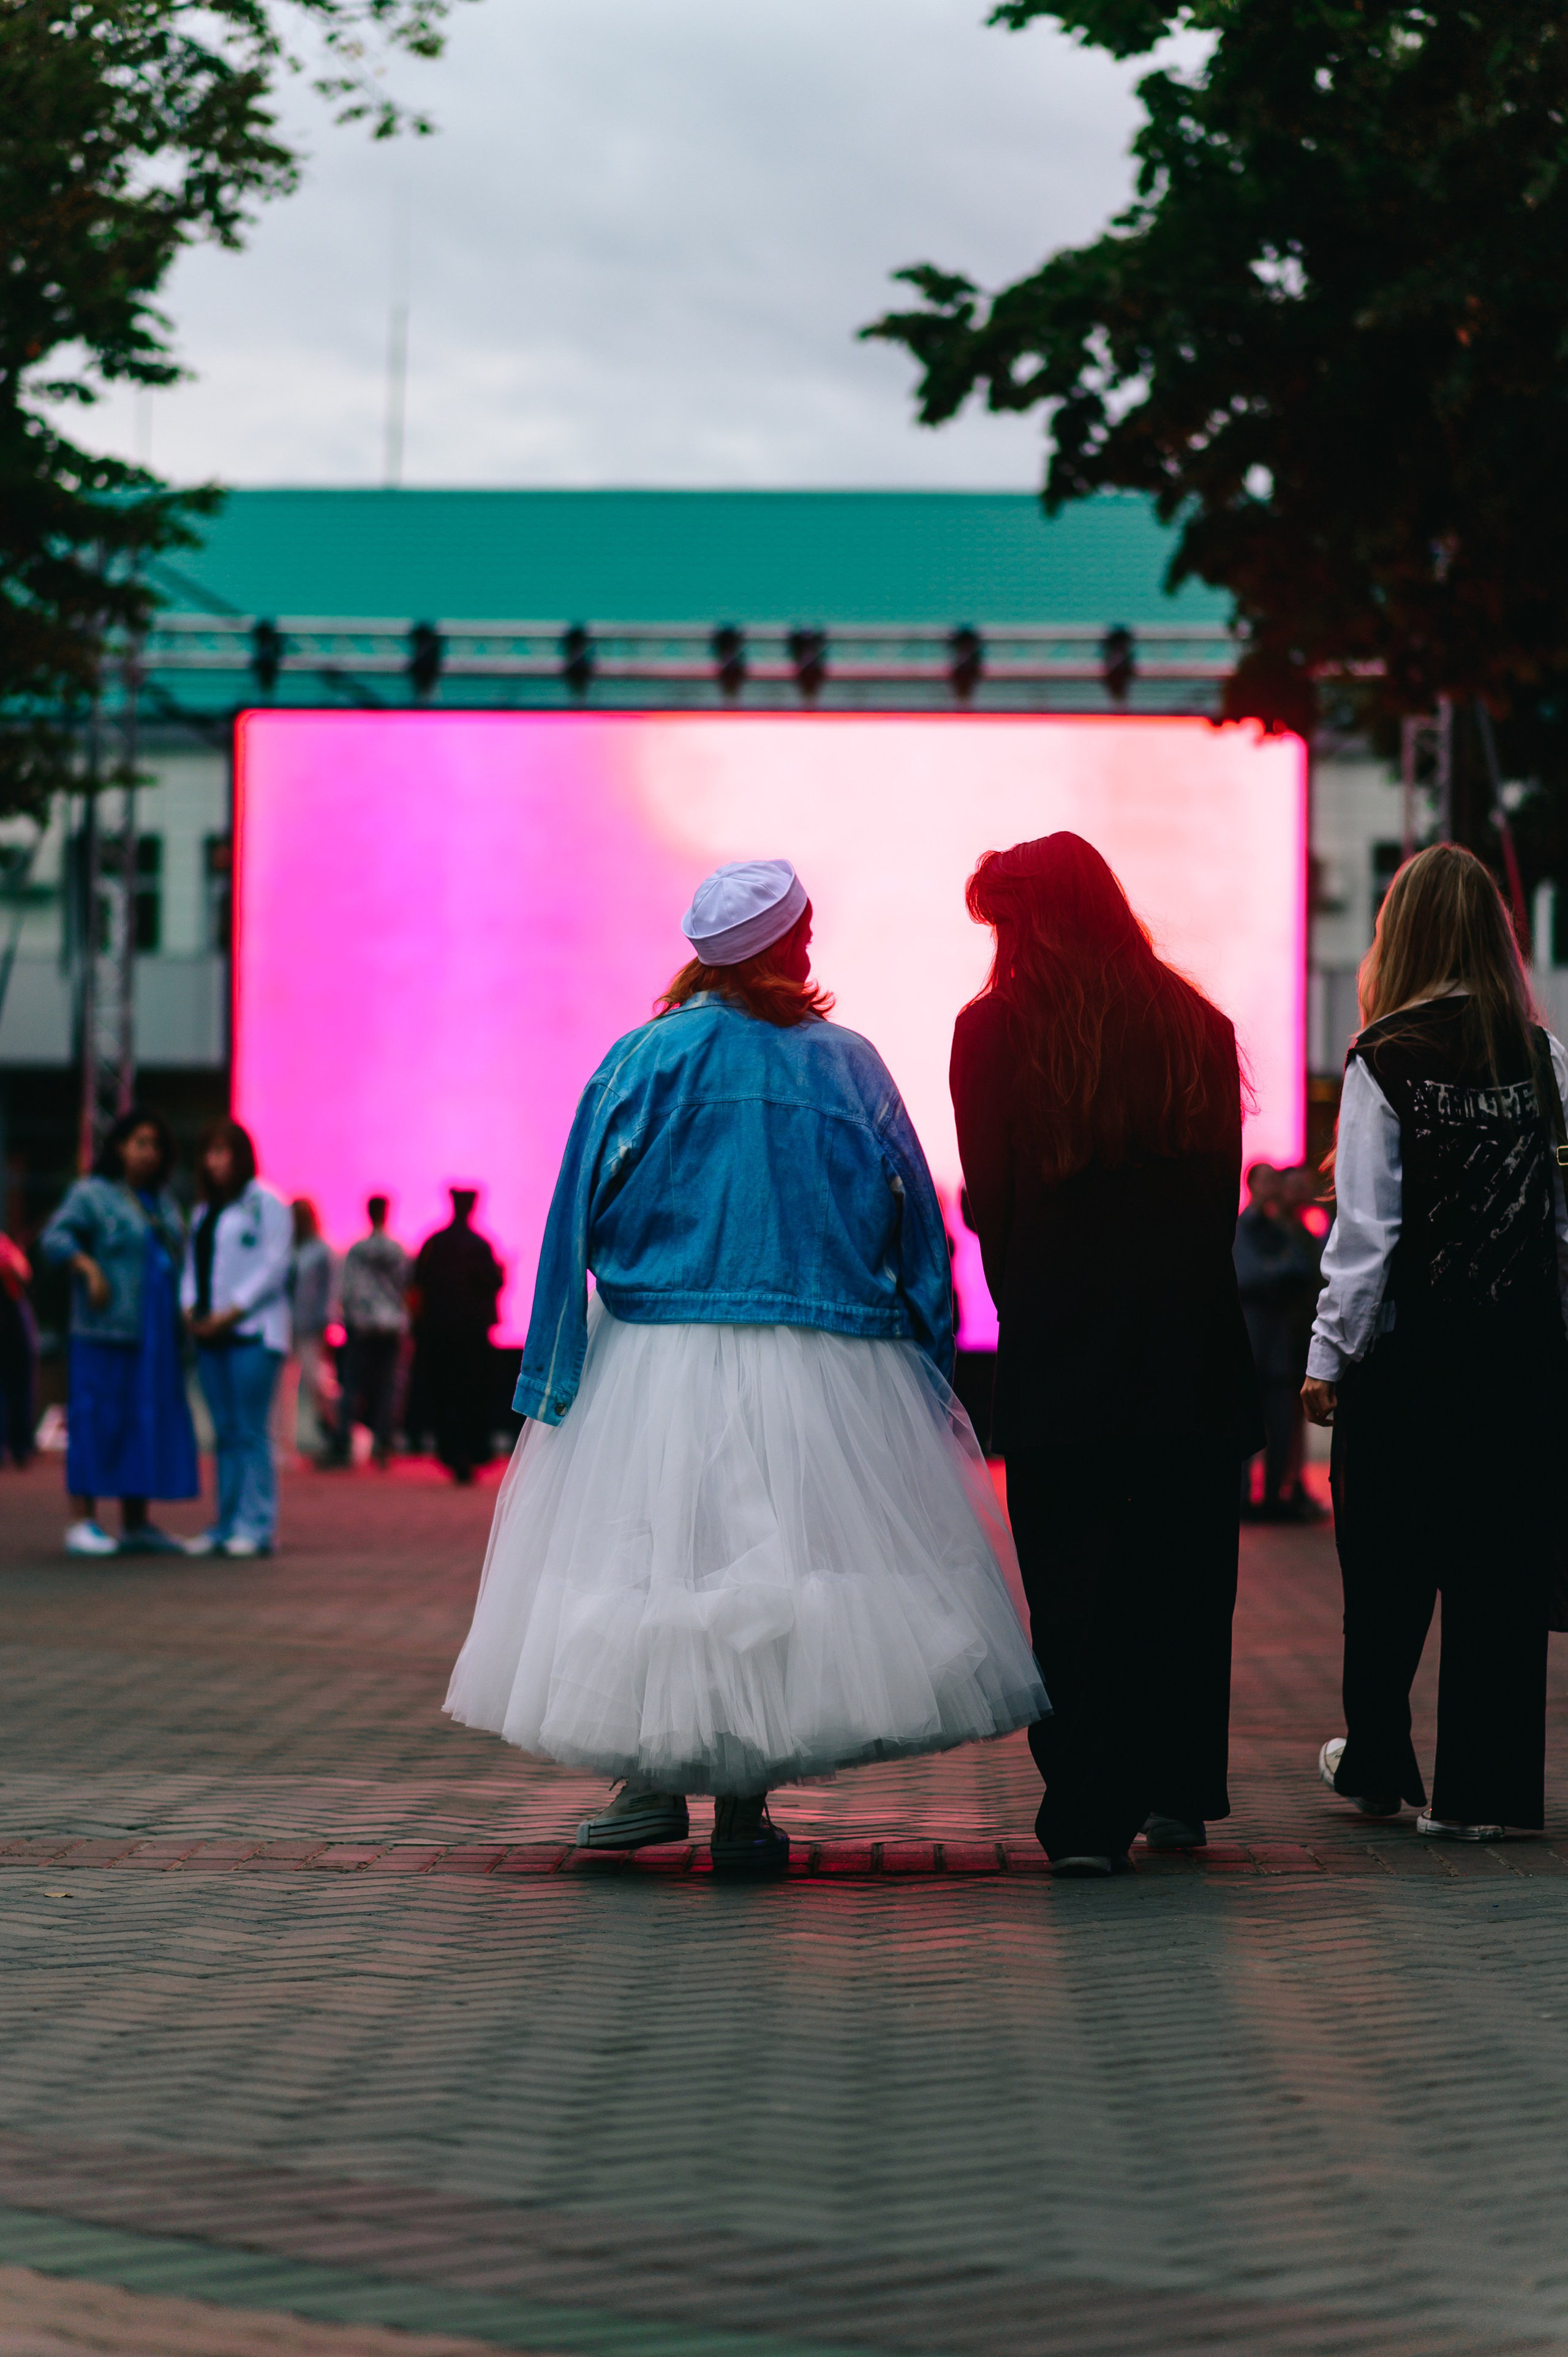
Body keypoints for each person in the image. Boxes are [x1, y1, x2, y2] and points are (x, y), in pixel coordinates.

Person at [445, 858, 1046, 1875]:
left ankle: (653, 1783)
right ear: (782, 945)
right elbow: (917, 1218)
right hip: (820, 1349)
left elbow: (571, 1207)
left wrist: (552, 1369)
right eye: (802, 932)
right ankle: (739, 1807)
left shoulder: (642, 1058)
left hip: (657, 1346)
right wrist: (928, 1354)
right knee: (776, 1567)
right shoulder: (848, 1064)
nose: (810, 946)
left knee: (652, 1555)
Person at [950, 833, 1262, 1877]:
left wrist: (1030, 1304)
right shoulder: (1197, 1024)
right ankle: (1177, 1787)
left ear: (1031, 920)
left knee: (1074, 1581)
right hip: (1191, 1350)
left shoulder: (992, 1030)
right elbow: (1215, 1207)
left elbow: (993, 1200)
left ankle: (1087, 1810)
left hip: (1063, 1348)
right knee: (1185, 1575)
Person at [1304, 842, 1568, 1842]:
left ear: (1401, 935)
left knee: (1384, 1567)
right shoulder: (1544, 1059)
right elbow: (1561, 1228)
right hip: (1520, 1359)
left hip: (1411, 1364)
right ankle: (1485, 1795)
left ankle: (1378, 1760)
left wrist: (1328, 1356)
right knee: (1501, 1569)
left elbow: (1368, 1233)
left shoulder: (1385, 1056)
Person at [39, 1109, 198, 1555]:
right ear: (119, 1147)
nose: (149, 1153)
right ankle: (82, 1522)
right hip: (105, 1330)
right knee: (96, 1417)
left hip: (155, 1332)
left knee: (143, 1418)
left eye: (157, 1146)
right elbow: (55, 1238)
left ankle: (136, 1523)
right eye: (140, 1143)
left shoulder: (162, 1201)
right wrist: (88, 1267)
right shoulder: (92, 1194)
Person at [182, 1120, 292, 1558]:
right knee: (224, 1433)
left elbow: (274, 1268)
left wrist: (230, 1313)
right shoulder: (204, 1211)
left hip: (252, 1333)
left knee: (250, 1431)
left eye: (222, 1152)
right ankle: (225, 1525)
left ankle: (257, 1525)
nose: (214, 1161)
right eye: (208, 1153)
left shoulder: (267, 1204)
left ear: (242, 1156)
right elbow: (192, 1269)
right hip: (211, 1335)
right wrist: (189, 1309)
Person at [1234, 1162, 1321, 1519]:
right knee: (1247, 1423)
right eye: (1267, 1180)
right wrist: (1277, 1272)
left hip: (1276, 1344)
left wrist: (1270, 1272)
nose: (1274, 1186)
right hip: (1255, 1341)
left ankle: (1273, 1497)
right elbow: (1247, 1275)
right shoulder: (1242, 1228)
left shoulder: (1282, 1231)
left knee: (1282, 1422)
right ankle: (1245, 1499)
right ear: (1252, 1184)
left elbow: (1302, 1269)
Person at [409, 1190, 502, 1484]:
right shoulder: (480, 1245)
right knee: (471, 1393)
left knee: (445, 1393)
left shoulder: (435, 1243)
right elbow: (493, 1283)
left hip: (440, 1334)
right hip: (473, 1337)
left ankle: (451, 1451)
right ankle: (470, 1453)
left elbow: (418, 1285)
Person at [326, 1196, 408, 1469]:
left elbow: (346, 1289)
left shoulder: (357, 1250)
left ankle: (343, 1441)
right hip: (391, 1325)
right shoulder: (397, 1250)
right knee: (387, 1387)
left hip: (361, 1326)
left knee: (351, 1385)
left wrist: (346, 1317)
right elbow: (406, 1286)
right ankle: (383, 1443)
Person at [288, 1199, 337, 1458]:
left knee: (316, 1381)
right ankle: (288, 1440)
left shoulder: (320, 1251)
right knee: (286, 1387)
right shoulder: (287, 1249)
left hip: (311, 1326)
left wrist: (326, 1324)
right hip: (287, 1325)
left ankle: (333, 1429)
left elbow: (329, 1292)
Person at [0, 1230, 37, 1469]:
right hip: (11, 1316)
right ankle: (19, 1445)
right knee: (17, 1382)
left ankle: (19, 1444)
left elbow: (21, 1272)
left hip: (11, 1316)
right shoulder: (4, 1245)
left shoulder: (4, 1243)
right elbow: (22, 1271)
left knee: (17, 1383)